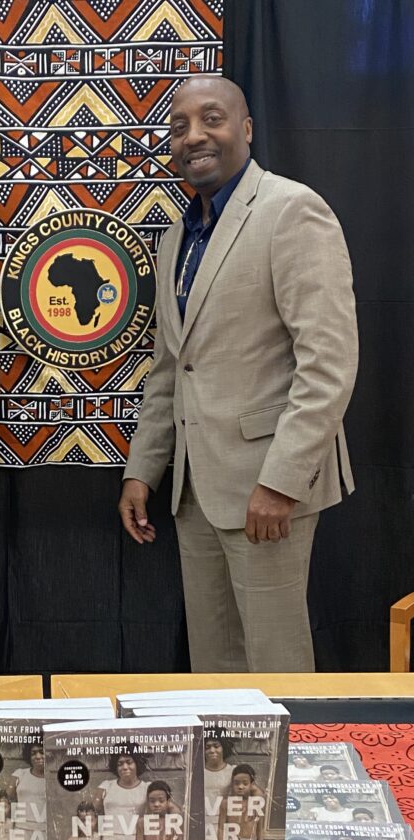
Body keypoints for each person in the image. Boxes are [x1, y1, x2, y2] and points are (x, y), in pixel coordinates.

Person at [118, 75, 358, 673]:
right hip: (194, 490)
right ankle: (223, 772)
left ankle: (292, 770)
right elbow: (171, 366)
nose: (194, 135)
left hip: (267, 487)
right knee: (214, 667)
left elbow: (328, 363)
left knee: (275, 665)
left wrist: (282, 482)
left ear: (246, 129)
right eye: (179, 126)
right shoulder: (177, 238)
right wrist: (142, 471)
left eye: (212, 119)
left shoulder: (292, 210)